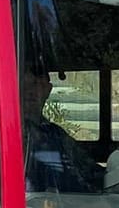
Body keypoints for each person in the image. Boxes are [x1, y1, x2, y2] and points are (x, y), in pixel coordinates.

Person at [18, 63, 101, 193]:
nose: (29, 91)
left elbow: (88, 170)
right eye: (24, 84)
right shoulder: (6, 133)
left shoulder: (55, 134)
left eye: (35, 84)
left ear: (48, 90)